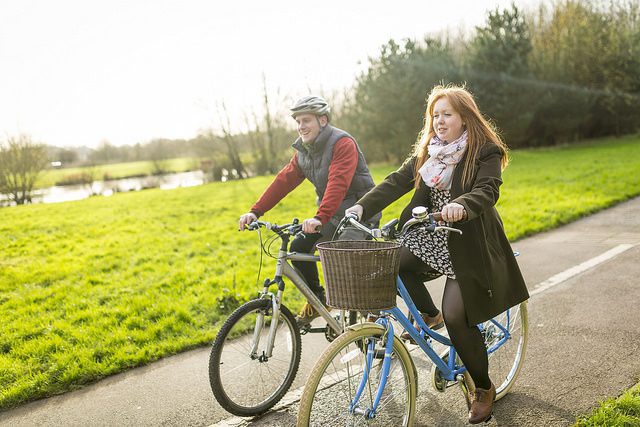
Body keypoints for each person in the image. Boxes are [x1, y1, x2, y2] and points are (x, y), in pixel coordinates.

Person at [346, 84, 529, 424]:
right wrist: (360, 206)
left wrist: (462, 205)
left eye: (447, 114)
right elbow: (395, 181)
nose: (440, 121)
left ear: (464, 118)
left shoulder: (483, 151)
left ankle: (484, 388)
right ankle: (429, 316)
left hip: (469, 242)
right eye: (435, 116)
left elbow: (487, 190)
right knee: (393, 263)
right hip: (432, 237)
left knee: (458, 317)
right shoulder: (429, 153)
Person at [238, 95, 381, 326]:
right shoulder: (305, 152)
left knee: (341, 255)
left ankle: (372, 317)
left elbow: (338, 183)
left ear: (323, 120)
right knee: (298, 247)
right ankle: (319, 302)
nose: (301, 127)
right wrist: (255, 211)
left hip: (360, 212)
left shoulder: (342, 143)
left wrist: (319, 217)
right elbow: (283, 181)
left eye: (306, 120)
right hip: (332, 215)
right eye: (298, 121)